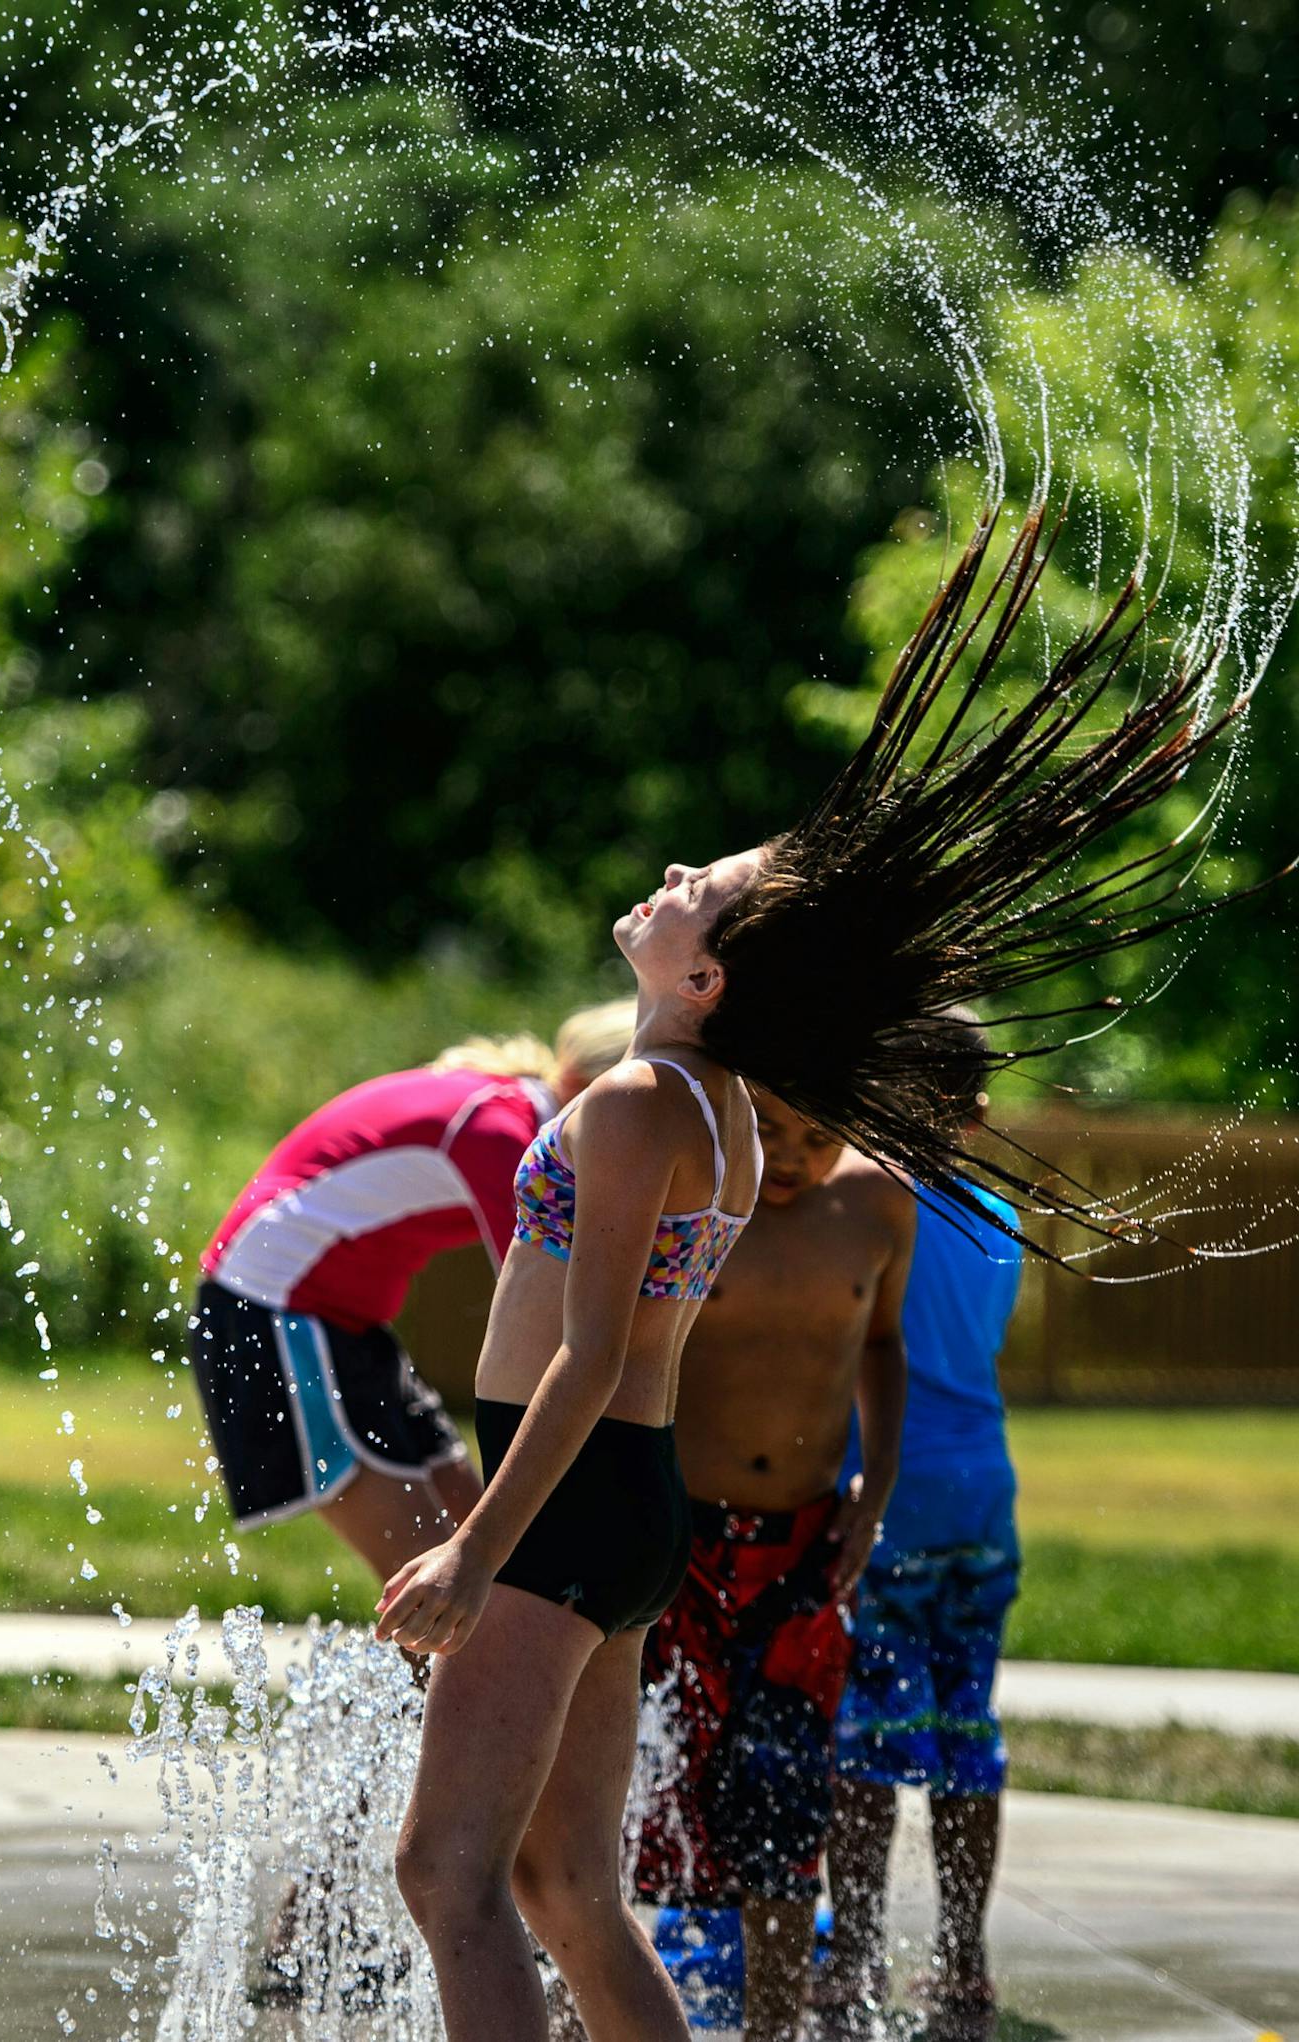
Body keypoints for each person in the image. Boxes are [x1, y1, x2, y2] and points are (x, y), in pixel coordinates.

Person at [371, 509, 1254, 2042]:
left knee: (447, 1877)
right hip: (628, 1496)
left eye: (697, 889)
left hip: (567, 1487)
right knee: (570, 1886)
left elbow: (583, 1358)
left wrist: (470, 1552)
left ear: (708, 976)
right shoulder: (703, 1103)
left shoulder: (655, 1104)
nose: (669, 875)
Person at [631, 1089, 914, 2042]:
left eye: (822, 1135)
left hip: (804, 1548)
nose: (791, 1157)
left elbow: (880, 1343)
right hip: (678, 1537)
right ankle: (579, 2009)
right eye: (772, 1131)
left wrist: (872, 1499)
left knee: (788, 1804)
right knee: (628, 1791)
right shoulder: (695, 1197)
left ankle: (774, 2029)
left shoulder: (878, 1206)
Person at [191, 999, 635, 1581]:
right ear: (597, 1088)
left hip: (337, 1319)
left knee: (481, 1550)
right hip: (273, 1307)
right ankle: (451, 1676)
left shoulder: (504, 1108)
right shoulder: (505, 1135)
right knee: (435, 1574)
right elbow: (559, 1313)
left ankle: (459, 1676)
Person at [823, 1011, 1023, 2042]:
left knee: (864, 1735)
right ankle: (961, 1960)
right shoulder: (996, 1219)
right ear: (975, 1115)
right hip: (981, 1493)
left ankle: (849, 1955)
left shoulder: (857, 1209)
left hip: (881, 1492)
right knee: (962, 1729)